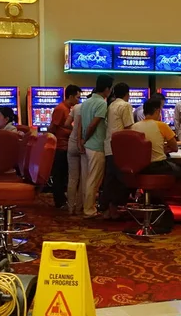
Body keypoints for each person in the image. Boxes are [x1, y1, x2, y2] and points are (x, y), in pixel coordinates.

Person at [132, 98, 181, 223]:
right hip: (157, 166)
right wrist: (164, 150)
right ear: (157, 111)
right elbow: (175, 147)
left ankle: (155, 207)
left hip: (139, 169)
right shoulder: (161, 125)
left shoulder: (134, 127)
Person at [79, 75, 114, 218]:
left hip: (88, 144)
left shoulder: (86, 102)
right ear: (106, 89)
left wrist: (82, 139)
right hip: (96, 144)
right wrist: (85, 137)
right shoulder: (101, 104)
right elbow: (93, 124)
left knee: (88, 178)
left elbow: (82, 123)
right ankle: (89, 210)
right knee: (94, 180)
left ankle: (88, 206)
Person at [101, 83, 134, 219]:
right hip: (121, 147)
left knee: (110, 180)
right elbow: (129, 127)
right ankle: (113, 209)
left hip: (109, 146)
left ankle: (106, 209)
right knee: (121, 181)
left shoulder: (111, 105)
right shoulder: (125, 106)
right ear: (127, 93)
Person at [48, 84, 81, 209]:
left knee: (65, 175)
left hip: (67, 145)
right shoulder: (61, 109)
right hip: (60, 146)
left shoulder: (69, 109)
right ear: (71, 96)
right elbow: (52, 127)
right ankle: (59, 201)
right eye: (77, 97)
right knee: (59, 176)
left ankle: (63, 200)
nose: (78, 100)